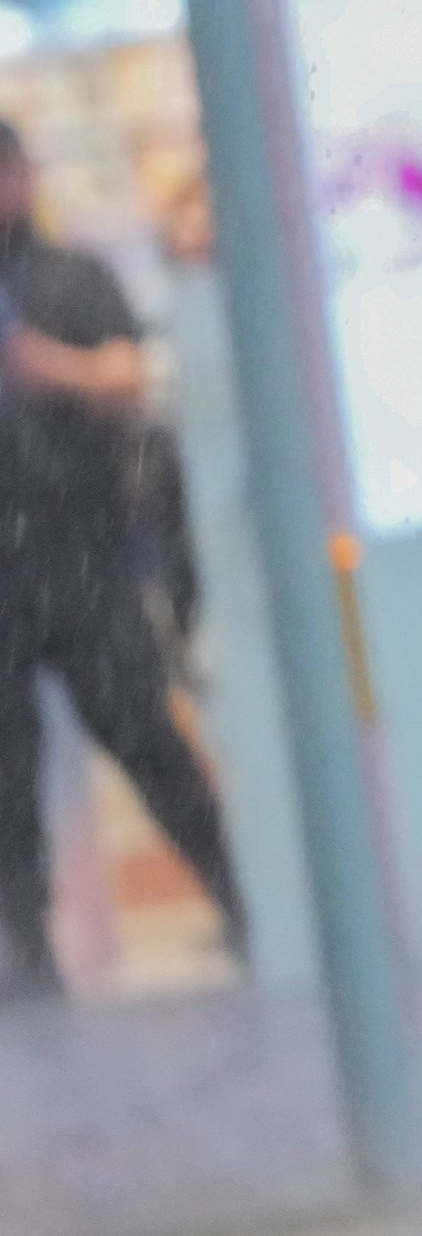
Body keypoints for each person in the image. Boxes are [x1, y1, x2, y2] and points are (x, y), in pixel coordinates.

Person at [0, 121, 240, 999]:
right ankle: (27, 950)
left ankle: (240, 901)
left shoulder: (72, 279)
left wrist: (45, 368)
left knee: (145, 737)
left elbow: (130, 376)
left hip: (84, 555)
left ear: (21, 177)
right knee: (5, 774)